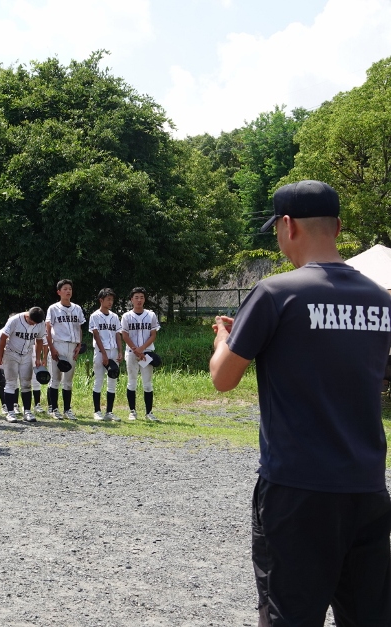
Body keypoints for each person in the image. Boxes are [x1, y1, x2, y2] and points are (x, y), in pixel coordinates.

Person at [209, 180, 391, 625]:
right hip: (367, 487)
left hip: (297, 488)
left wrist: (224, 338)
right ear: (338, 227)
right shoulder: (380, 300)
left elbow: (223, 378)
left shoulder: (276, 293)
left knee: (289, 616)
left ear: (287, 225)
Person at [0, 307, 46, 423]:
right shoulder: (15, 320)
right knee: (11, 383)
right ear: (27, 316)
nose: (34, 324)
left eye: (36, 323)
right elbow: (3, 337)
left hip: (27, 354)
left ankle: (27, 411)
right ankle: (10, 412)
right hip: (11, 353)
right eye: (32, 322)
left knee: (26, 383)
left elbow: (39, 340)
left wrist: (38, 358)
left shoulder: (40, 323)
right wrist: (0, 355)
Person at [45, 279, 85, 420]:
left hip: (72, 346)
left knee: (68, 380)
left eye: (70, 289)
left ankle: (67, 409)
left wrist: (79, 345)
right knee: (55, 379)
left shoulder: (77, 308)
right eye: (65, 289)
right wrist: (51, 347)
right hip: (58, 344)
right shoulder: (53, 308)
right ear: (59, 292)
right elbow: (48, 329)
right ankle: (54, 409)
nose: (68, 291)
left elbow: (79, 327)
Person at [121, 287, 160, 421]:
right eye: (136, 297)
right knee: (131, 382)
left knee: (147, 383)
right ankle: (132, 411)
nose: (139, 300)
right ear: (131, 299)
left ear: (145, 299)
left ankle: (149, 413)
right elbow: (125, 335)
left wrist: (142, 349)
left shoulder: (151, 315)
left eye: (141, 297)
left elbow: (153, 334)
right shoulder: (126, 316)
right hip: (131, 353)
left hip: (147, 353)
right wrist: (136, 350)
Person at [89, 288, 123, 421]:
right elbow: (96, 335)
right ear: (101, 300)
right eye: (108, 299)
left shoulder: (114, 316)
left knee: (112, 381)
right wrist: (103, 354)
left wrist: (120, 351)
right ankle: (97, 411)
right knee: (98, 380)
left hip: (113, 351)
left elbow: (118, 335)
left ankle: (109, 412)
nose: (110, 302)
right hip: (100, 351)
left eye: (112, 300)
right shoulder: (95, 316)